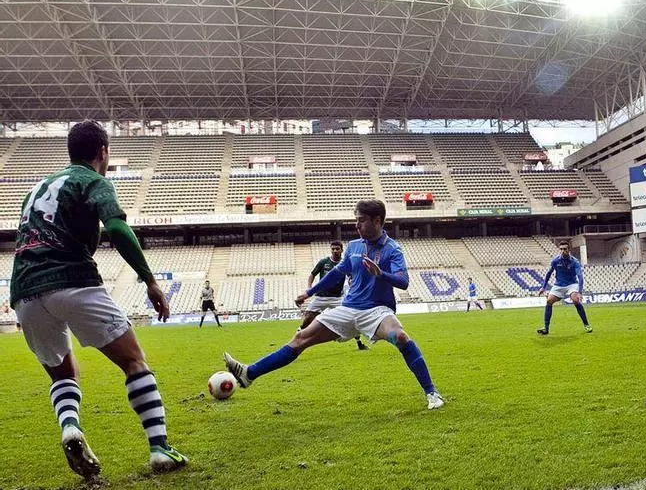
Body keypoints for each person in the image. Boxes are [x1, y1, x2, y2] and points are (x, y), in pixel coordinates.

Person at [10, 121, 186, 480]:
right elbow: (117, 228)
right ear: (103, 152)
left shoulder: (35, 190)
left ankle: (70, 427)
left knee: (63, 373)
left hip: (24, 289)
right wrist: (150, 281)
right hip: (73, 279)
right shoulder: (92, 181)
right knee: (134, 361)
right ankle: (159, 449)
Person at [223, 200, 444, 410]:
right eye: (356, 220)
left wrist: (381, 274)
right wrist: (309, 292)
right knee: (300, 338)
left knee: (401, 337)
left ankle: (432, 393)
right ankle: (248, 374)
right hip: (347, 308)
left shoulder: (392, 249)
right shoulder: (354, 246)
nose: (356, 225)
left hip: (376, 311)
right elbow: (337, 273)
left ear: (377, 221)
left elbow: (403, 281)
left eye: (361, 220)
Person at [301, 241, 368, 351]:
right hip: (320, 297)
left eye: (337, 249)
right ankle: (298, 337)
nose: (335, 251)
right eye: (333, 249)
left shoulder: (345, 263)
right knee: (307, 318)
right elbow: (312, 275)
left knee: (350, 319)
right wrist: (309, 287)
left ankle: (359, 343)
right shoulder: (324, 262)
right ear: (330, 250)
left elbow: (351, 277)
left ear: (342, 250)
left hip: (337, 298)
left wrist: (352, 282)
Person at [537, 241, 591, 335]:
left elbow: (580, 277)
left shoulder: (575, 262)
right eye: (561, 249)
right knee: (549, 301)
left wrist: (579, 292)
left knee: (575, 300)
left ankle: (586, 324)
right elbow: (549, 273)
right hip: (559, 285)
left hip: (572, 284)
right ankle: (546, 328)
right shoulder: (555, 261)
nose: (563, 251)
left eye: (565, 249)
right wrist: (543, 287)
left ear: (569, 250)